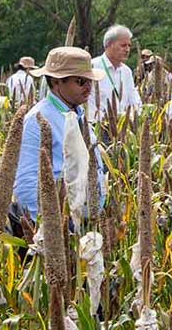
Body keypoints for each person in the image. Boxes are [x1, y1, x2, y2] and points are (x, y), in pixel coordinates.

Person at [11, 47, 107, 221]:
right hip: (60, 227)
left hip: (86, 225)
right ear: (56, 81)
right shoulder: (38, 120)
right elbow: (26, 185)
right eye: (80, 81)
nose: (88, 87)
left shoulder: (78, 114)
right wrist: (52, 228)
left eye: (90, 81)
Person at [86, 24, 141, 124]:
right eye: (123, 45)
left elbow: (134, 99)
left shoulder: (126, 72)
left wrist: (133, 117)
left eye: (129, 45)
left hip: (123, 128)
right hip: (97, 126)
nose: (127, 49)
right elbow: (87, 101)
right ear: (109, 44)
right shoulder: (92, 67)